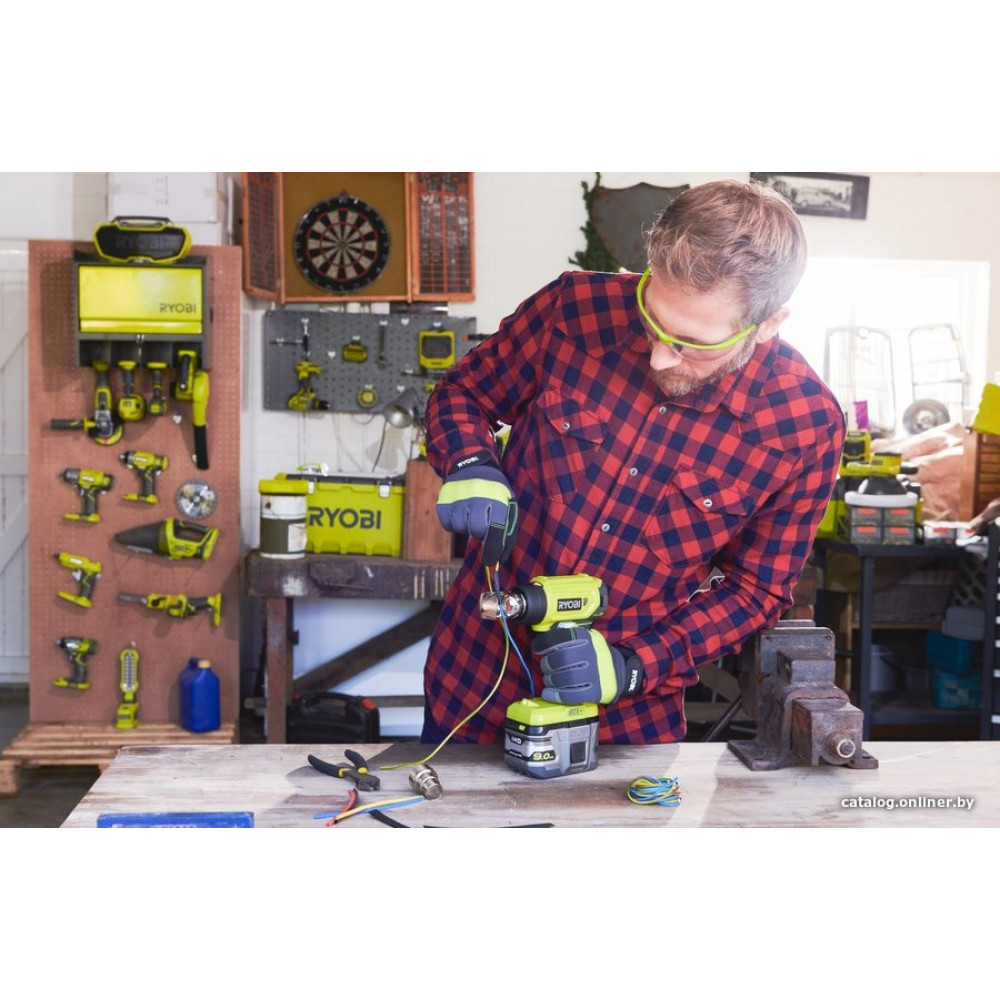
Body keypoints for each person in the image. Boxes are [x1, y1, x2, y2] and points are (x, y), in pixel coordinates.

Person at [422, 178, 846, 745]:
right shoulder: (574, 308)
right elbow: (463, 394)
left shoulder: (804, 424)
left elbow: (755, 590)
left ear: (767, 324)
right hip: (470, 685)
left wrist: (634, 665)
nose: (659, 356)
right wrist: (469, 461)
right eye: (652, 319)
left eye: (690, 343)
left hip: (625, 723)